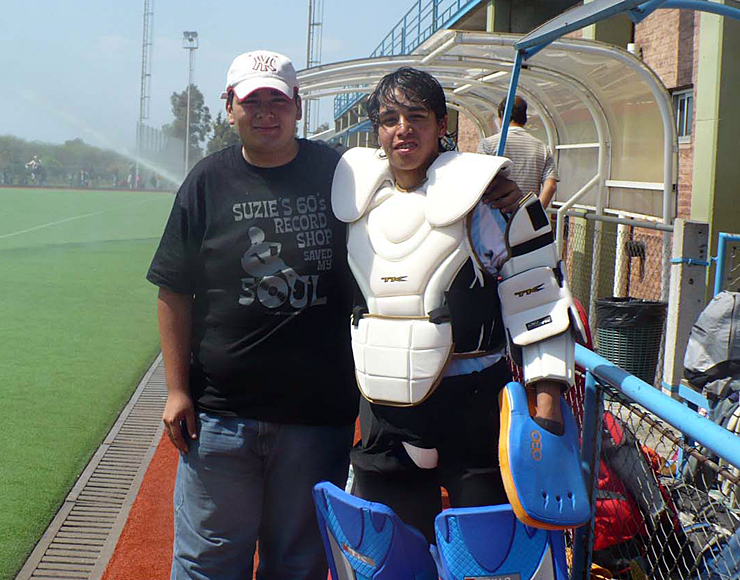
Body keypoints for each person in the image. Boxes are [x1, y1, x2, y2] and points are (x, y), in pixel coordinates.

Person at [331, 67, 574, 543]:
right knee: (393, 555)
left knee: (483, 554)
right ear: (376, 131)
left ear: (441, 124)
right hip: (386, 405)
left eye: (416, 116)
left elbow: (539, 302)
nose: (402, 129)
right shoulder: (354, 202)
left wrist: (548, 402)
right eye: (389, 118)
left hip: (474, 402)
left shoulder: (488, 203)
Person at [146, 49, 358, 580]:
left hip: (317, 417)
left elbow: (412, 179)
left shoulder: (339, 173)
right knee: (208, 563)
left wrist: (497, 187)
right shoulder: (207, 181)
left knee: (299, 563)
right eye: (252, 101)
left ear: (298, 108)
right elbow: (173, 288)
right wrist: (176, 390)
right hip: (221, 417)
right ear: (229, 107)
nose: (266, 113)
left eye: (277, 102)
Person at [477, 96, 558, 209]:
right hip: (525, 218)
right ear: (524, 117)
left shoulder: (488, 144)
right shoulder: (542, 148)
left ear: (502, 115)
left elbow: (480, 182)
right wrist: (535, 214)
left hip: (495, 216)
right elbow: (551, 185)